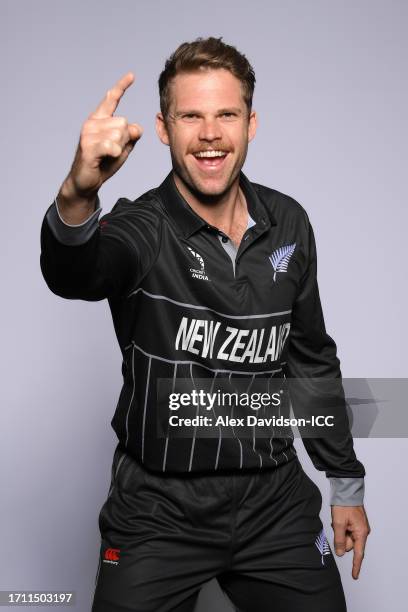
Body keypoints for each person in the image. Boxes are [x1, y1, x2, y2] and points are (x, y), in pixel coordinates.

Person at [40, 37, 371, 612]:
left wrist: (344, 484)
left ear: (250, 123)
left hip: (274, 501)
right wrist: (78, 191)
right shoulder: (140, 228)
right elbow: (76, 271)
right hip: (158, 508)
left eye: (226, 114)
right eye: (191, 115)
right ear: (165, 128)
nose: (211, 133)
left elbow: (310, 360)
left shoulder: (288, 222)